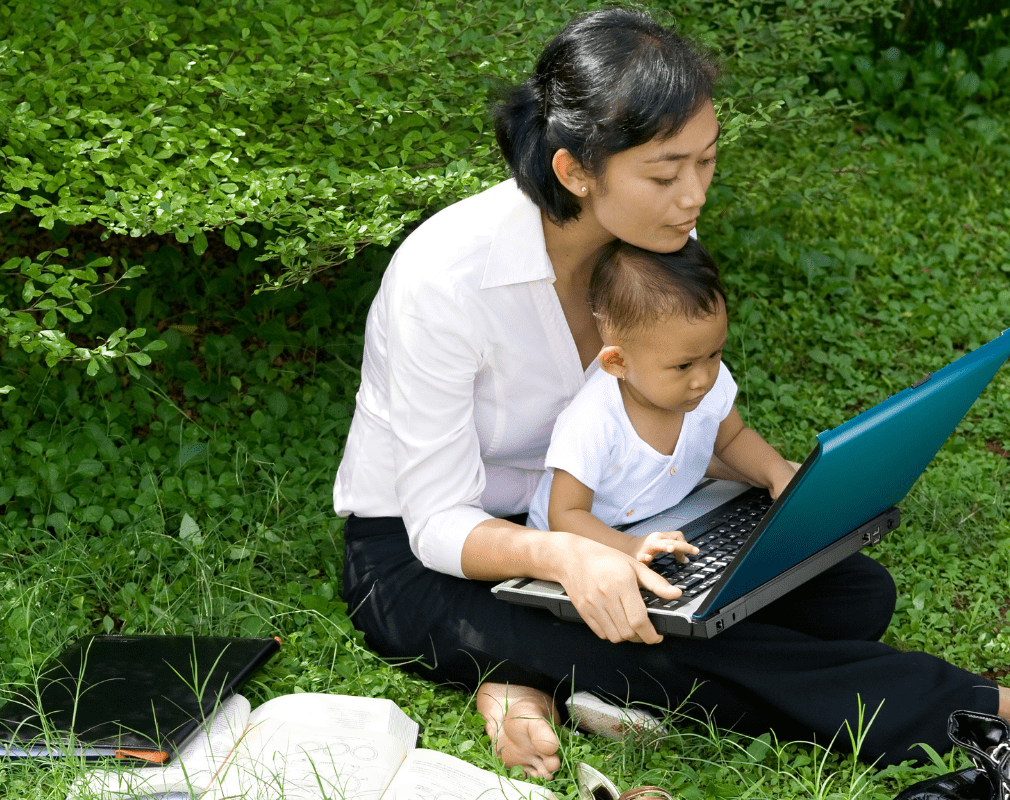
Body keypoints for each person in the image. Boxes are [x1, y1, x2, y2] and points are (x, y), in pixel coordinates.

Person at [333, 6, 1008, 779]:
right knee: (668, 646)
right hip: (427, 560)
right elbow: (435, 525)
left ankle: (527, 675)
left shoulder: (660, 255)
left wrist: (781, 479)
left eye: (706, 162)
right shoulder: (442, 279)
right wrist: (564, 559)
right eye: (664, 173)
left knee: (850, 594)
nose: (694, 197)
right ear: (575, 171)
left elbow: (680, 415)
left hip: (610, 516)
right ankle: (975, 706)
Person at [526, 237, 796, 567]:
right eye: (683, 366)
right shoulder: (593, 420)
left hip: (667, 521)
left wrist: (779, 476)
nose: (704, 378)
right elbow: (565, 516)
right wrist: (629, 547)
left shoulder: (705, 383)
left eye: (714, 354)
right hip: (587, 549)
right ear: (618, 363)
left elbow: (734, 439)